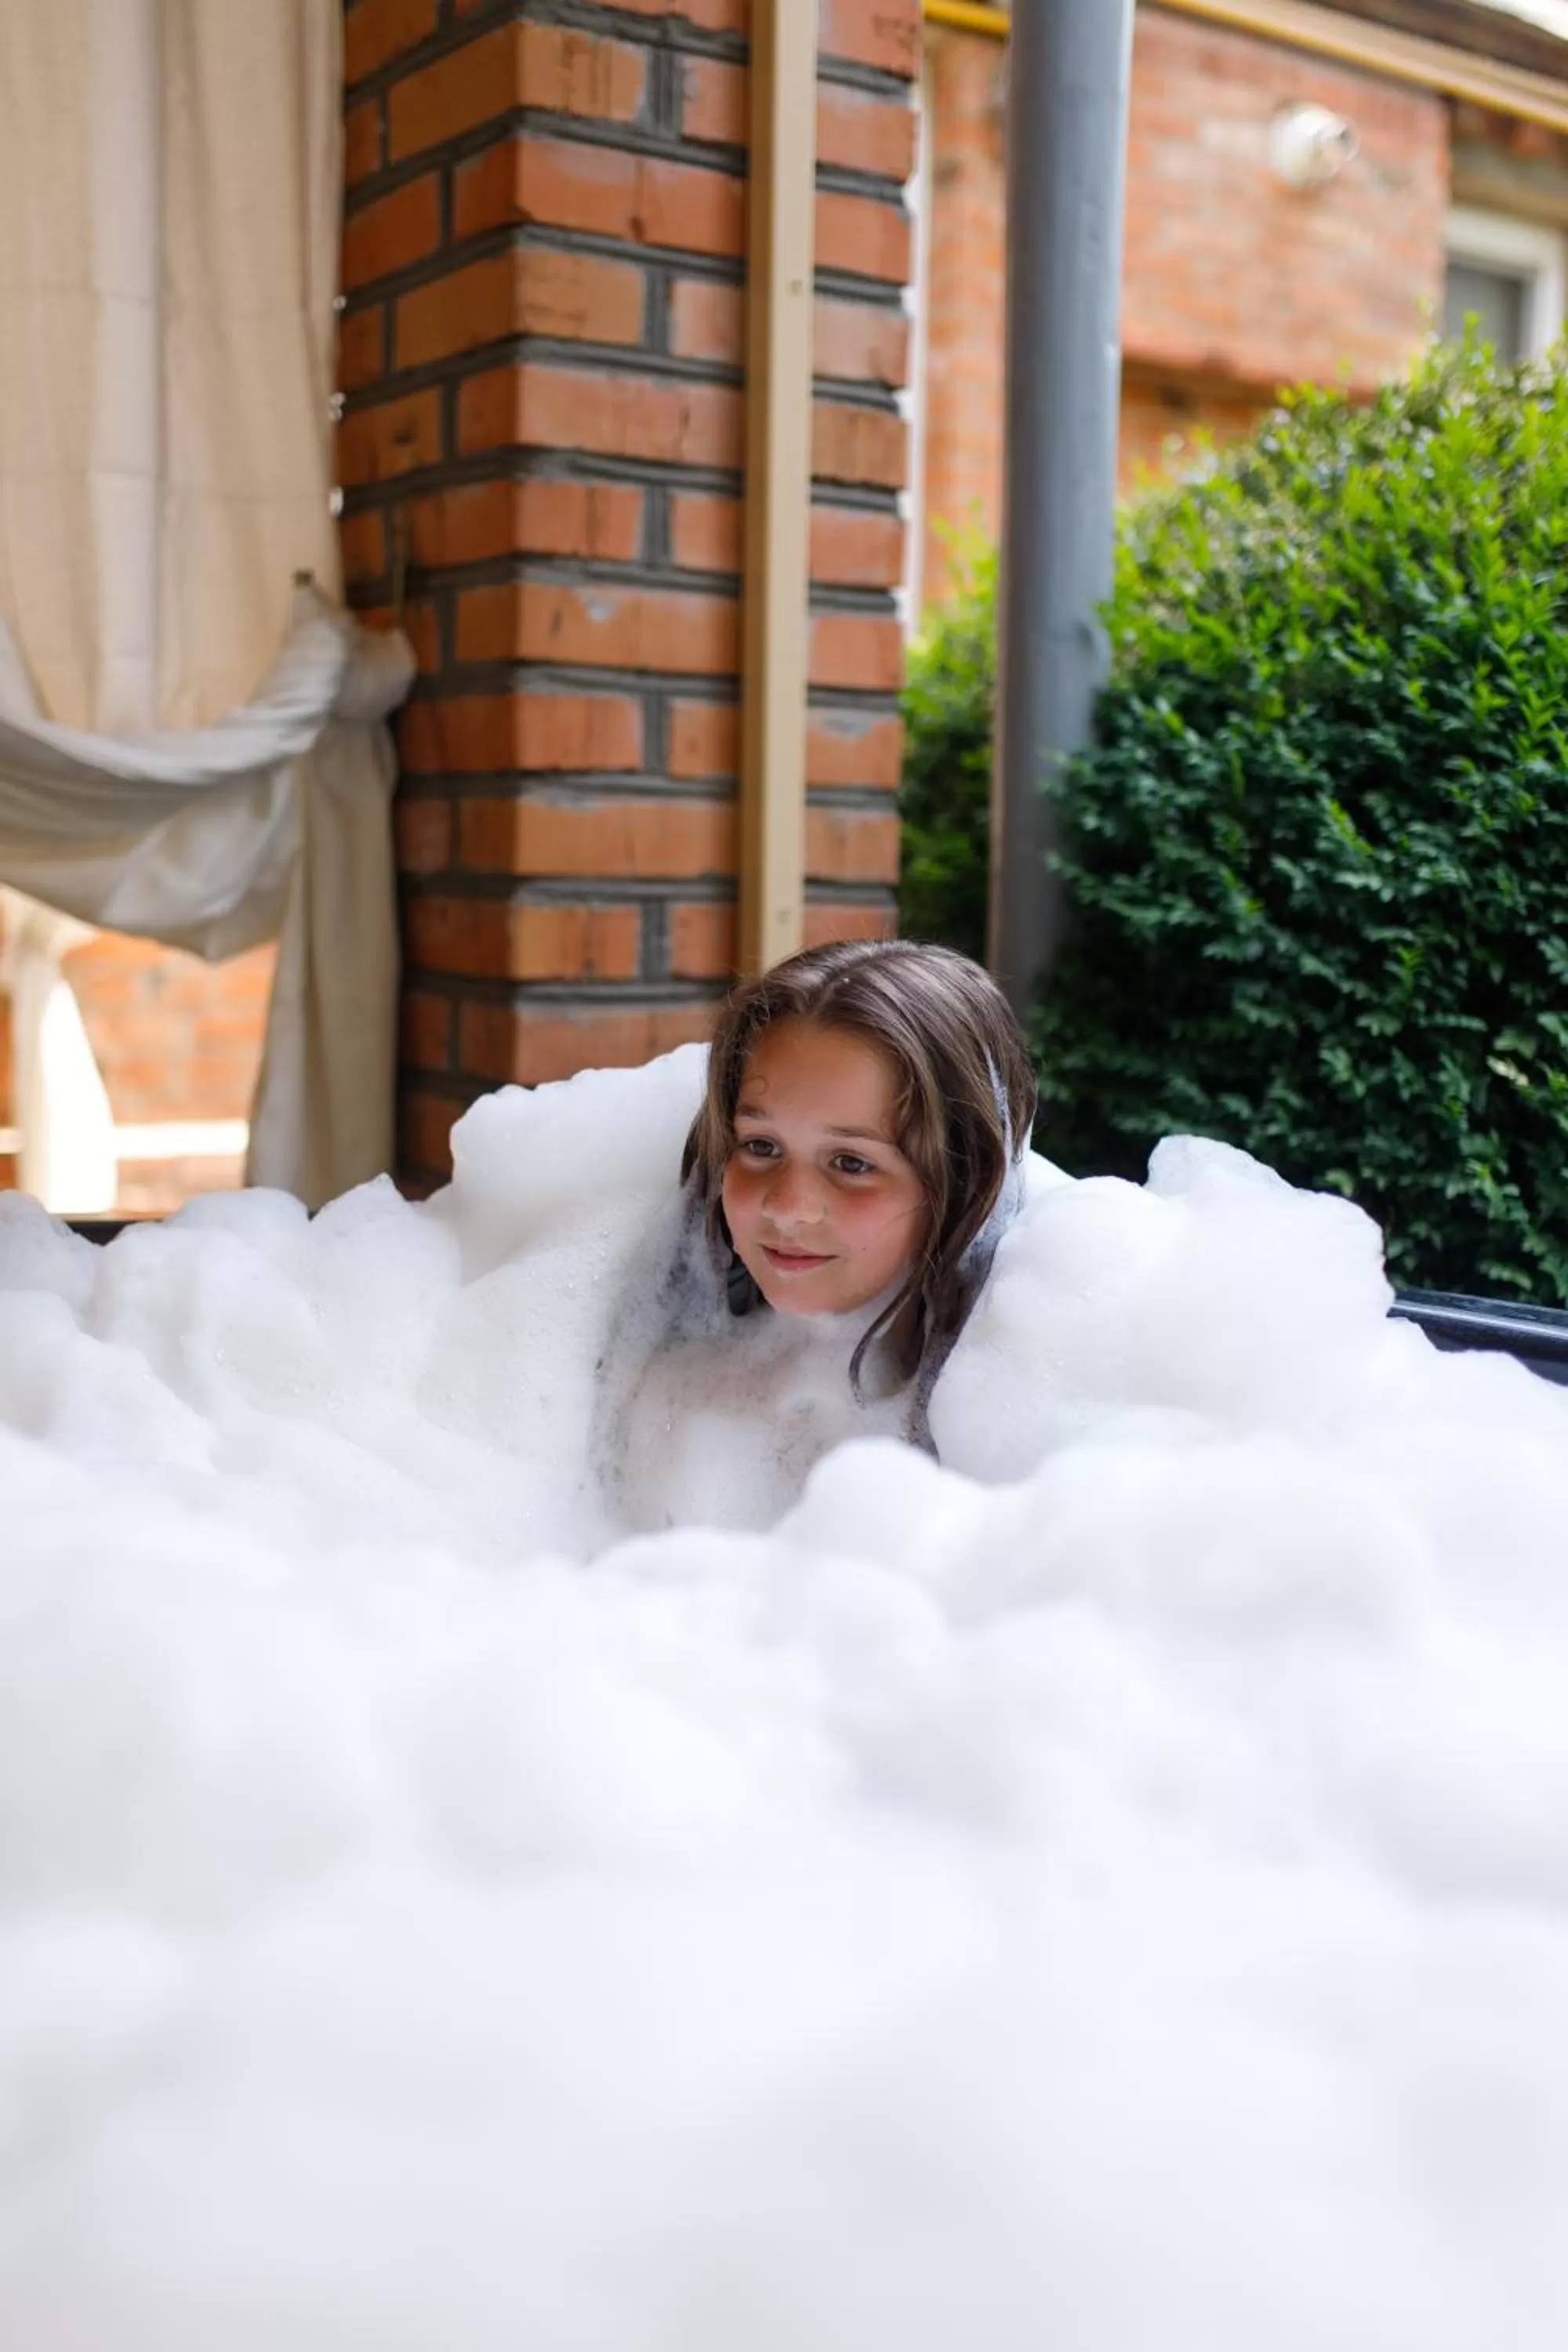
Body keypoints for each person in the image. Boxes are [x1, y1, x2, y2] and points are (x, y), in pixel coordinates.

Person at [600, 939, 1039, 1534]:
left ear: (962, 1181)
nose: (788, 1207)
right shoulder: (653, 1379)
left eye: (851, 1163)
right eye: (761, 1147)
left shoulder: (1012, 1430)